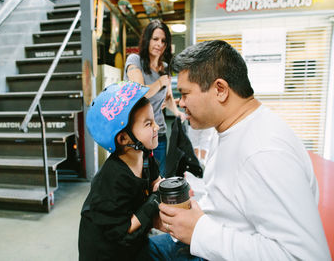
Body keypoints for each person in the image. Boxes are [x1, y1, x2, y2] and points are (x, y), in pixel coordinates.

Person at [148, 40, 331, 260]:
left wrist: (199, 231)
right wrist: (186, 218)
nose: (181, 102)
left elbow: (305, 256)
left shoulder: (264, 152)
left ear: (220, 90)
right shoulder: (229, 127)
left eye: (185, 94)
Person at [78, 81, 162, 261]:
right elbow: (124, 230)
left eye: (154, 120)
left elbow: (157, 182)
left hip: (134, 247)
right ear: (123, 138)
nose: (157, 127)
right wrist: (154, 200)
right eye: (148, 124)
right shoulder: (112, 179)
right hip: (106, 253)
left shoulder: (145, 156)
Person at [124, 19, 185, 177]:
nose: (159, 44)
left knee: (158, 178)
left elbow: (169, 97)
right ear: (147, 40)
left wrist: (177, 112)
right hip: (135, 134)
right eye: (155, 39)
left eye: (163, 41)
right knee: (136, 179)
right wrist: (159, 83)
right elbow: (139, 91)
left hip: (159, 133)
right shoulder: (134, 60)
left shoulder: (164, 68)